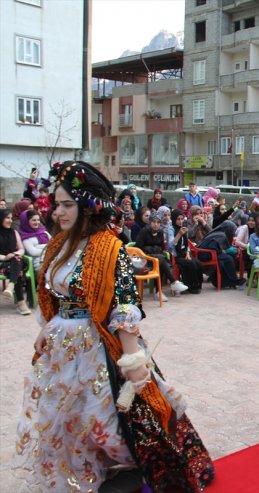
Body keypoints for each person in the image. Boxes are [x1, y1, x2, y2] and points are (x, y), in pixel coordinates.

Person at [14, 160, 214, 491]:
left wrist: (134, 362)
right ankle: (83, 476)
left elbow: (124, 305)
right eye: (57, 204)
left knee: (104, 422)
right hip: (63, 352)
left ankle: (140, 472)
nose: (58, 212)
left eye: (67, 205)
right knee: (66, 419)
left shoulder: (110, 248)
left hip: (98, 348)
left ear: (87, 206)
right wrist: (44, 330)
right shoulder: (57, 245)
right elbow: (55, 298)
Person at [135, 214, 189, 300]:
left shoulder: (160, 232)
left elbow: (162, 248)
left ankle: (159, 292)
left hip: (156, 258)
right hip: (144, 259)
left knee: (159, 261)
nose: (156, 224)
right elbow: (137, 248)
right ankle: (171, 283)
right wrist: (150, 250)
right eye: (154, 222)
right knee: (161, 260)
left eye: (158, 222)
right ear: (150, 223)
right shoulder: (144, 231)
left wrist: (155, 250)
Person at [197, 220, 245, 290]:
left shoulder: (217, 232)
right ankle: (233, 281)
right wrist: (225, 251)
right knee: (228, 259)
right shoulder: (221, 235)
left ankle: (229, 280)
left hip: (203, 253)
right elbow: (212, 248)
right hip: (205, 254)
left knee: (227, 258)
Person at [1, 209, 32, 315]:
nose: (10, 220)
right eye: (7, 218)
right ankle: (21, 302)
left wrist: (14, 254)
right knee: (18, 270)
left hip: (15, 260)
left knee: (17, 260)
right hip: (2, 262)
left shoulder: (14, 232)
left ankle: (11, 286)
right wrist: (5, 258)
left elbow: (21, 249)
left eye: (11, 218)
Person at [170, 209, 203, 294]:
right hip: (176, 255)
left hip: (184, 253)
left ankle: (197, 285)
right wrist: (179, 234)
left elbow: (187, 244)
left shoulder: (184, 228)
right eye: (178, 219)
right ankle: (190, 286)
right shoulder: (171, 229)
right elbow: (171, 245)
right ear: (174, 219)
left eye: (182, 219)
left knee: (198, 263)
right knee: (191, 264)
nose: (180, 221)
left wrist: (188, 253)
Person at [18, 209, 51, 274]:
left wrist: (39, 247)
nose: (37, 222)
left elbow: (55, 244)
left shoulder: (44, 232)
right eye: (33, 220)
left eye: (38, 220)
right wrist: (49, 247)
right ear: (26, 221)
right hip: (39, 264)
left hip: (53, 260)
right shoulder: (25, 236)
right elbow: (33, 252)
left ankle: (74, 283)